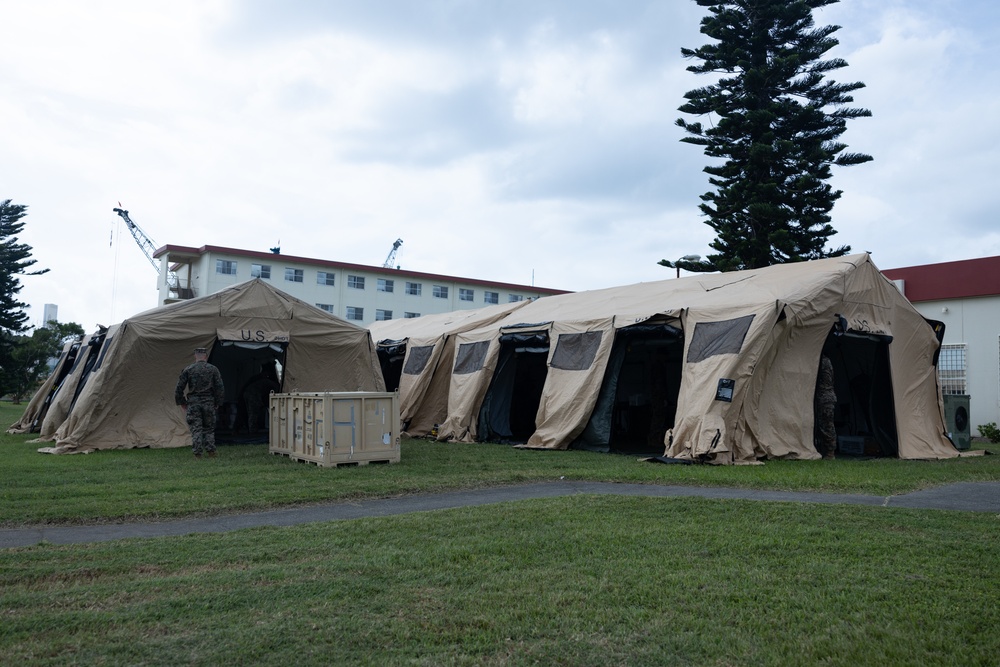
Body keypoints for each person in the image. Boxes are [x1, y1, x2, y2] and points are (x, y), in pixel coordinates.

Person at [175, 347, 225, 458]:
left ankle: (198, 453)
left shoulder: (188, 369)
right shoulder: (213, 369)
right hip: (208, 402)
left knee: (196, 429)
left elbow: (179, 388)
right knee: (209, 428)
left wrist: (182, 401)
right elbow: (220, 388)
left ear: (195, 356)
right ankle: (211, 452)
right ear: (206, 356)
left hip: (193, 403)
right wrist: (218, 402)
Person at [814, 353, 837, 460]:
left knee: (827, 426)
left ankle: (830, 453)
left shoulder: (821, 361)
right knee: (824, 424)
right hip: (827, 396)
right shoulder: (827, 360)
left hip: (824, 397)